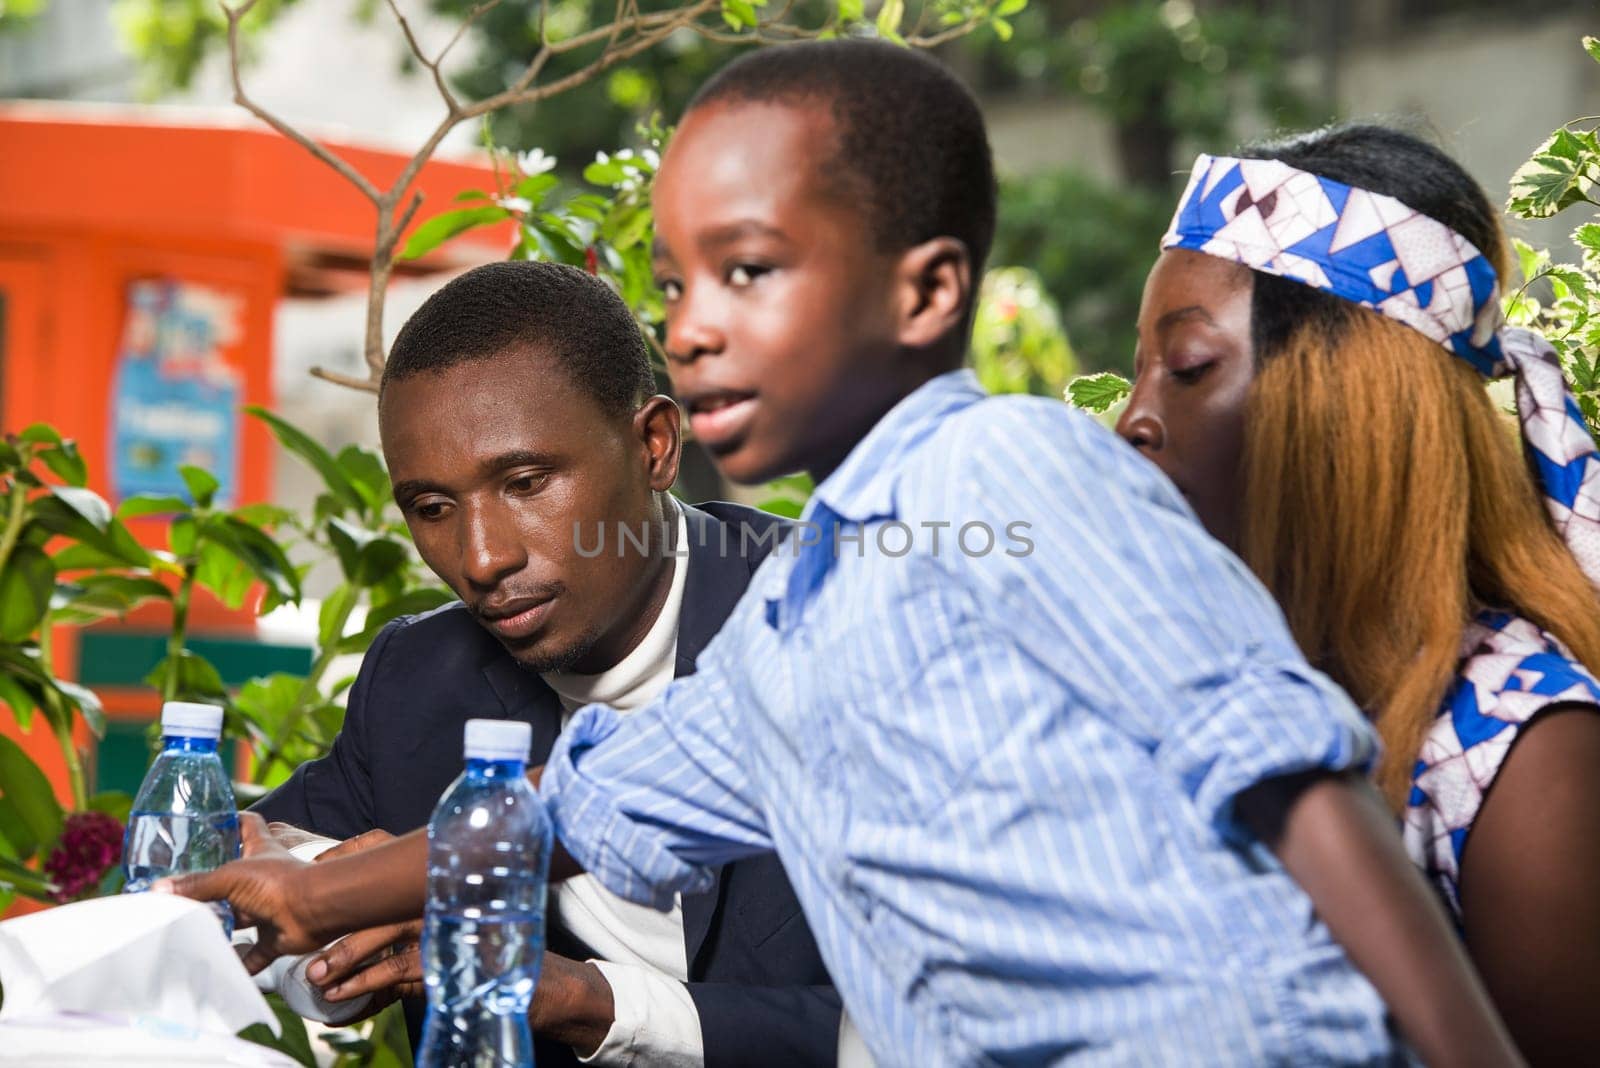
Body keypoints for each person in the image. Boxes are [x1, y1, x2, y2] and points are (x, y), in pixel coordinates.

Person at [165, 42, 1521, 1066]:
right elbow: (583, 810)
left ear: (925, 292)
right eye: (685, 282)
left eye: (752, 272)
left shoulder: (1005, 471)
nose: (696, 330)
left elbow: (1285, 772)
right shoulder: (813, 604)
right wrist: (303, 889)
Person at [252, 260, 839, 1067]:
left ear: (655, 447)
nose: (483, 557)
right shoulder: (420, 681)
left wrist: (590, 1001)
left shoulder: (831, 630)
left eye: (526, 482)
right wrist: (345, 909)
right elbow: (203, 865)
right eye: (432, 508)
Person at [1115, 123, 1600, 1063]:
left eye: (1185, 367)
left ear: (1344, 401)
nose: (1131, 418)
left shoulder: (1524, 757)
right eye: (1140, 368)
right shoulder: (1207, 688)